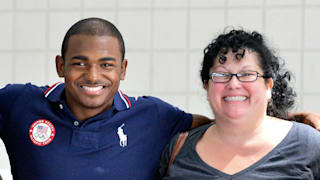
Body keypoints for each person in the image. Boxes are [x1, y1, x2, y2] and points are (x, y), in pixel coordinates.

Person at [0, 18, 318, 180]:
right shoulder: (18, 103)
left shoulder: (152, 116)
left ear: (123, 69)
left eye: (106, 64)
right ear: (60, 65)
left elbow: (220, 121)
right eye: (80, 62)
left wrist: (287, 122)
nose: (93, 76)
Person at [158, 29, 320, 179]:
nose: (233, 84)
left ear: (268, 86)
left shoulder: (308, 145)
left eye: (247, 74)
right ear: (207, 86)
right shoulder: (178, 149)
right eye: (221, 74)